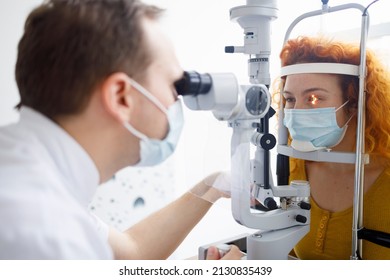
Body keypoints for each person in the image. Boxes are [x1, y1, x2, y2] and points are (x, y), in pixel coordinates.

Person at [0, 0, 242, 260]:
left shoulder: (30, 173)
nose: (176, 100)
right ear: (121, 97)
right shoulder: (46, 232)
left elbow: (131, 252)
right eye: (175, 85)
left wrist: (212, 187)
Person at [275, 36, 390, 259]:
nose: (297, 111)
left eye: (314, 98)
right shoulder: (292, 165)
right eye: (289, 99)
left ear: (355, 101)